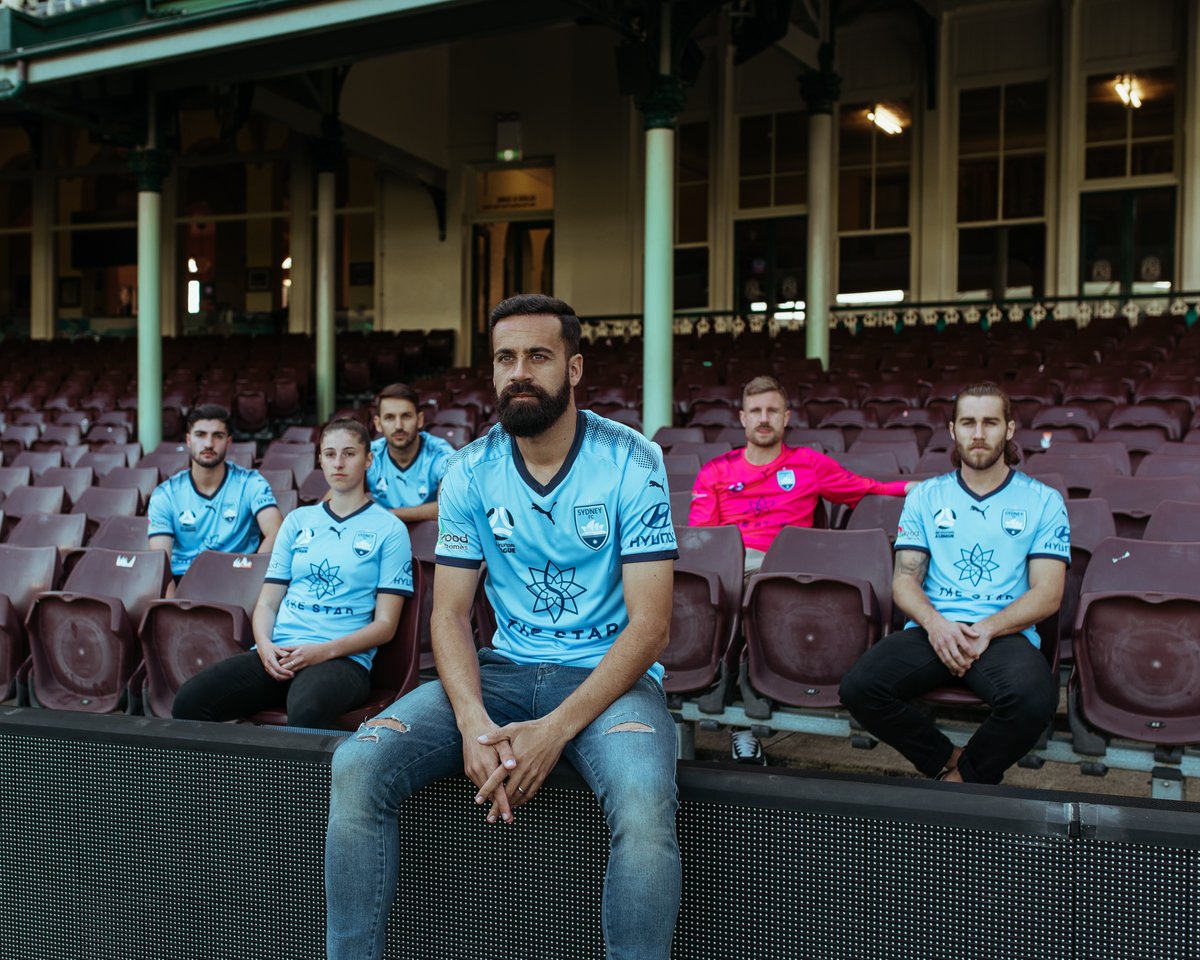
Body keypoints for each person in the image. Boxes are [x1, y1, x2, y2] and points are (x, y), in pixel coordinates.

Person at [325, 294, 681, 960]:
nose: (520, 372)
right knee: (358, 762)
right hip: (505, 671)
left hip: (610, 678)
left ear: (574, 368)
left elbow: (652, 628)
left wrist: (555, 730)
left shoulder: (632, 460)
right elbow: (449, 614)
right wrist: (471, 721)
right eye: (505, 358)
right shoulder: (469, 471)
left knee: (643, 802)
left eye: (538, 356)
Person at [839, 382, 1070, 785]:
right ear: (952, 430)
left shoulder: (1043, 501)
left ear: (1009, 429)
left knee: (1035, 701)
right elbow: (904, 581)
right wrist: (937, 626)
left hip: (1003, 635)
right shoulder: (926, 497)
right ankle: (949, 759)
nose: (978, 433)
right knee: (859, 688)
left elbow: (1048, 594)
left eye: (990, 422)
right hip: (934, 629)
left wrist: (986, 630)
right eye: (968, 423)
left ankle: (960, 781)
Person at [688, 375, 913, 763]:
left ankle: (742, 690)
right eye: (756, 411)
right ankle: (741, 693)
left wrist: (917, 489)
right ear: (742, 418)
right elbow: (703, 540)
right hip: (735, 560)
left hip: (790, 565)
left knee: (766, 589)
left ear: (786, 417)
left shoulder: (809, 464)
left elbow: (867, 489)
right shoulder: (716, 471)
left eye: (772, 411)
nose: (764, 418)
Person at [172, 418, 413, 730]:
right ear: (320, 459)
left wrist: (322, 652)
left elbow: (385, 626)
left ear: (368, 460)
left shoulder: (390, 528)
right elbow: (267, 603)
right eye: (330, 454)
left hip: (341, 659)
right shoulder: (298, 520)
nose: (338, 463)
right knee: (191, 700)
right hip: (281, 652)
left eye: (349, 454)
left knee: (307, 710)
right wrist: (264, 646)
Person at [147, 403, 284, 580]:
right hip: (183, 578)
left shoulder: (250, 483)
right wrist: (171, 599)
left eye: (218, 436)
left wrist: (253, 576)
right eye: (200, 435)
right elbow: (161, 564)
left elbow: (276, 531)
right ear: (188, 440)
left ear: (228, 442)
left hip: (237, 577)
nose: (209, 444)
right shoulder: (165, 494)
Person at [365, 382, 455, 522]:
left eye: (406, 416)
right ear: (378, 423)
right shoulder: (369, 454)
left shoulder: (441, 454)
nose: (398, 426)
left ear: (419, 420)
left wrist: (389, 515)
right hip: (382, 532)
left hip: (430, 534)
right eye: (389, 417)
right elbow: (338, 498)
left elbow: (449, 507)